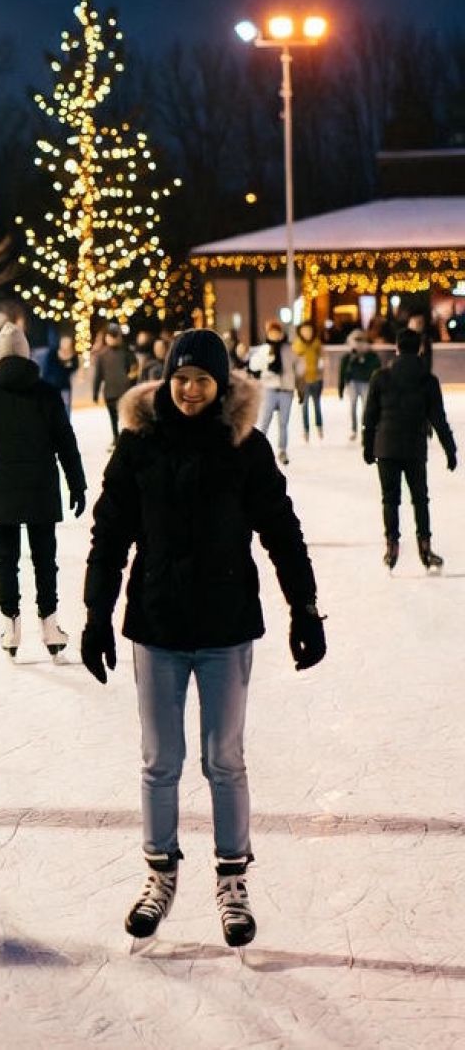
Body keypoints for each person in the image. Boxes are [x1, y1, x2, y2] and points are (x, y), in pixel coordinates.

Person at [80, 328, 325, 948]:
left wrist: (305, 607)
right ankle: (160, 874)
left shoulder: (245, 446)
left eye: (202, 380)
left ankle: (232, 879)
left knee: (225, 759)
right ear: (167, 379)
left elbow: (282, 530)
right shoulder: (138, 445)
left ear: (221, 386)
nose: (190, 390)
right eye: (181, 378)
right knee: (161, 761)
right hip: (157, 624)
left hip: (224, 624)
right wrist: (95, 613)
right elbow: (109, 533)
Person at [0, 322, 87, 661]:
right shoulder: (46, 393)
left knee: (6, 561)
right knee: (45, 560)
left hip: (1, 492)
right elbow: (65, 442)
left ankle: (11, 626)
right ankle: (49, 624)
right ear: (28, 355)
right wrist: (77, 484)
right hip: (41, 489)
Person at [362, 328, 457, 571]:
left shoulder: (380, 377)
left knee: (390, 499)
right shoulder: (428, 380)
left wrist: (368, 446)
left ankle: (392, 545)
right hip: (414, 449)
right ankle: (425, 546)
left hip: (386, 448)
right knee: (420, 500)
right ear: (419, 349)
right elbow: (439, 419)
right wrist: (450, 449)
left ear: (397, 348)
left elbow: (370, 416)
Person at [249, 319, 299, 463]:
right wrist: (267, 368)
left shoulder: (288, 349)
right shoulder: (264, 350)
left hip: (286, 389)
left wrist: (299, 377)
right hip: (269, 389)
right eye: (272, 332)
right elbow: (254, 366)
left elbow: (297, 365)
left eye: (277, 332)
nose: (275, 335)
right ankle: (257, 449)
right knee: (265, 420)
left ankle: (282, 450)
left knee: (283, 422)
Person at [91, 325, 138, 445]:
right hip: (111, 392)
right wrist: (95, 393)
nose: (113, 339)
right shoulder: (102, 355)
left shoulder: (127, 352)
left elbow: (134, 370)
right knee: (114, 418)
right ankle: (117, 437)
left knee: (124, 418)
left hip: (124, 391)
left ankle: (123, 438)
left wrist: (132, 383)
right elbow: (98, 375)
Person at [337, 329, 381, 442]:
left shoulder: (371, 355)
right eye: (355, 340)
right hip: (352, 383)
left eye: (360, 340)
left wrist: (364, 360)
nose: (358, 344)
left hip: (366, 383)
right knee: (353, 406)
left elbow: (377, 369)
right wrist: (341, 388)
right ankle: (354, 429)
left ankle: (365, 428)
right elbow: (343, 372)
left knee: (366, 407)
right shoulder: (348, 356)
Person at [292, 320, 325, 442]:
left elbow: (322, 359)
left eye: (309, 330)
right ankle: (306, 430)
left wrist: (321, 372)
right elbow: (294, 363)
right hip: (303, 381)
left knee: (317, 405)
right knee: (304, 405)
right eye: (304, 330)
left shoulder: (316, 343)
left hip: (316, 379)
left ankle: (319, 426)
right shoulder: (297, 345)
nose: (307, 333)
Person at [40, 334, 80, 417]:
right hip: (52, 387)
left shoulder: (72, 356)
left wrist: (68, 362)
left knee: (66, 409)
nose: (65, 346)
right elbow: (46, 370)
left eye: (67, 344)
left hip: (64, 387)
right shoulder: (52, 354)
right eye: (64, 343)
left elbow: (74, 367)